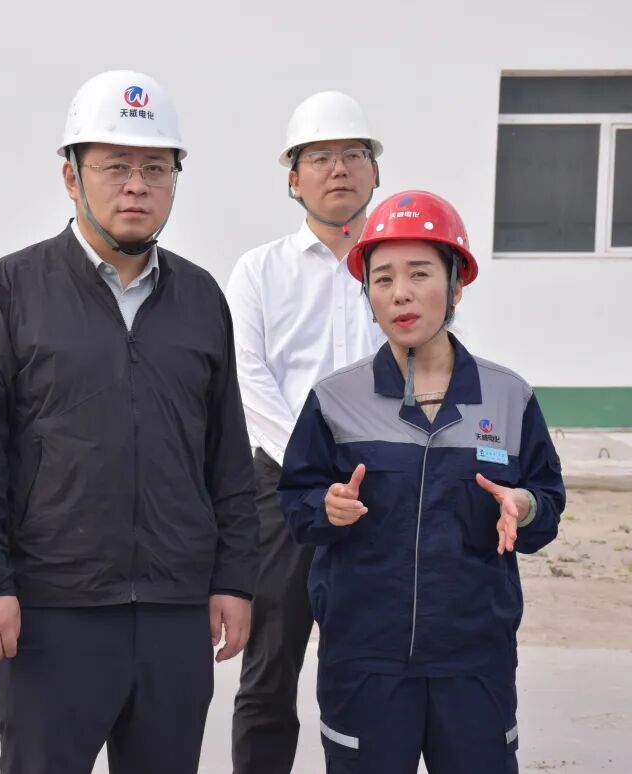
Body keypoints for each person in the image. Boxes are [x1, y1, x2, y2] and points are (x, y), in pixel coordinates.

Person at [0, 69, 258, 774]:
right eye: (115, 166)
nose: (136, 186)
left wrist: (235, 579)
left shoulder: (201, 298)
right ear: (71, 177)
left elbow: (227, 455)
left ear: (175, 179)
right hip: (53, 612)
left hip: (175, 613)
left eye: (155, 168)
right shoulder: (11, 290)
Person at [280, 190, 566, 772]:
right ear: (368, 296)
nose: (400, 293)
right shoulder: (335, 399)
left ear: (456, 285)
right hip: (365, 661)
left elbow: (547, 501)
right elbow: (296, 498)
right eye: (382, 279)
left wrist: (524, 505)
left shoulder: (508, 397)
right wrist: (324, 506)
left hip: (474, 660)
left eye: (419, 274)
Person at [227, 90, 386, 773]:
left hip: (382, 485)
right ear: (293, 178)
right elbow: (248, 377)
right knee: (270, 668)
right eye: (319, 157)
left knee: (374, 666)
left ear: (375, 171)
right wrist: (314, 466)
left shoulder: (396, 267)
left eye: (353, 154)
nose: (338, 168)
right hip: (282, 491)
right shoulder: (260, 271)